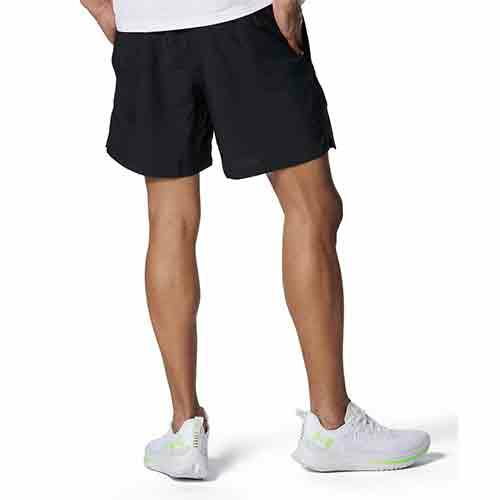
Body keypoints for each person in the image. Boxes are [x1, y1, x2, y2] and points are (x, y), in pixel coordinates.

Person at [81, 0, 430, 479]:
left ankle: (184, 430)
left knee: (169, 219)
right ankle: (331, 424)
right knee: (311, 206)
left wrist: (107, 9)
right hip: (240, 17)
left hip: (148, 30)